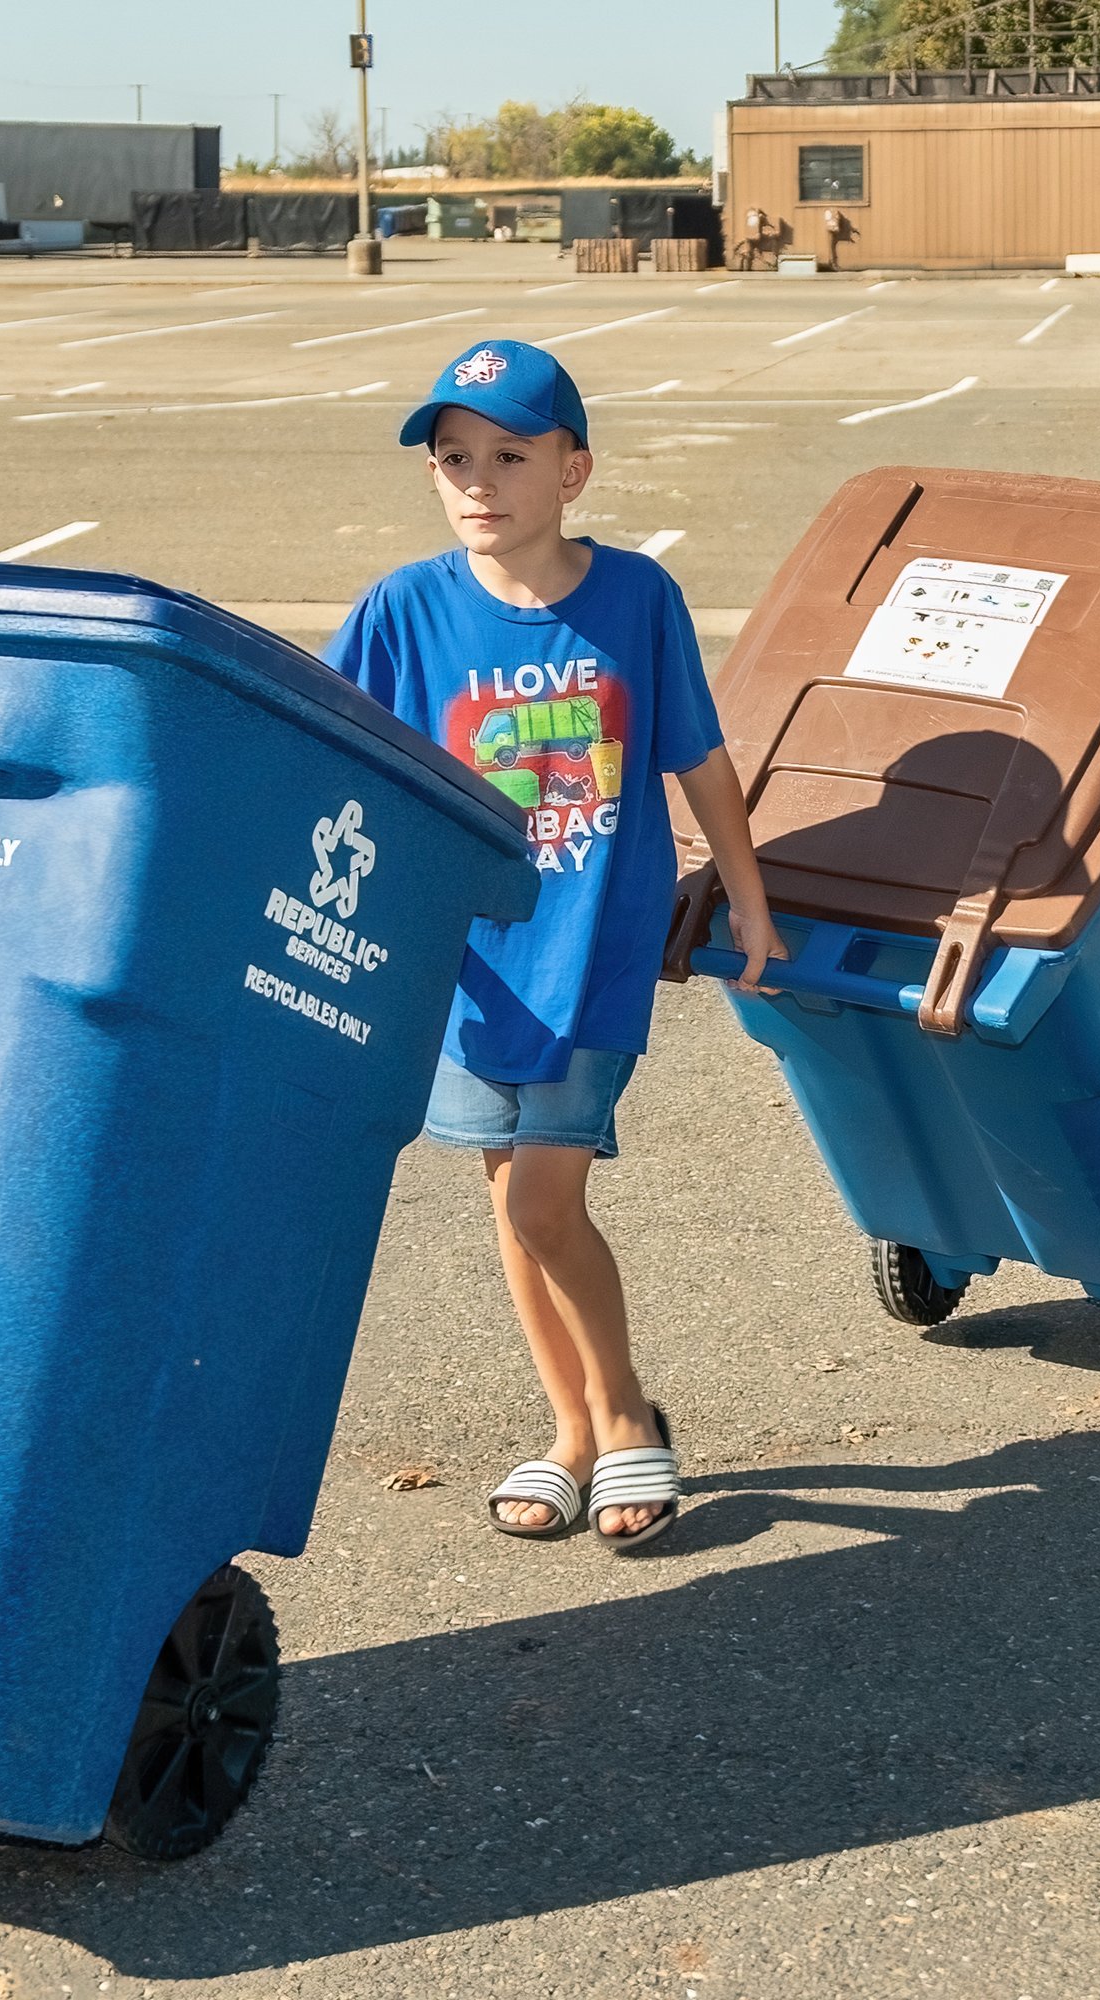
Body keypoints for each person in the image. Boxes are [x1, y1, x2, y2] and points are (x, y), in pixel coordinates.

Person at [326, 340, 784, 1552]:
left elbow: (696, 754)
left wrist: (746, 896)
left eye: (510, 456)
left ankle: (623, 1408)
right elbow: (324, 747)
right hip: (463, 966)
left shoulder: (636, 597)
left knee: (542, 1198)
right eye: (454, 458)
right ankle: (573, 1430)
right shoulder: (401, 609)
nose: (479, 481)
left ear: (573, 470)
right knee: (509, 1204)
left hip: (590, 949)